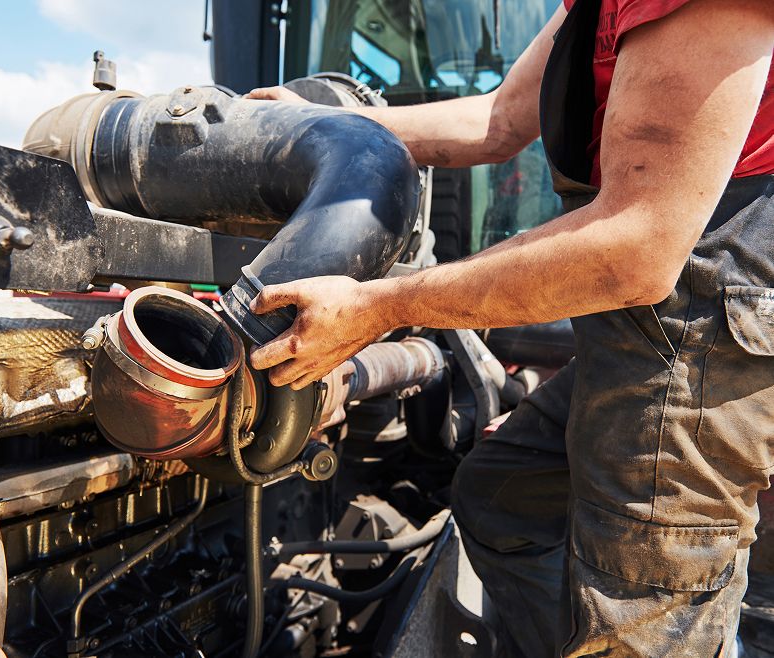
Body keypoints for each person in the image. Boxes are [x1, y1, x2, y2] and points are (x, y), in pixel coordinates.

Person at [246, 0, 774, 655]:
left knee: (642, 619)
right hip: (636, 328)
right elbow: (497, 119)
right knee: (502, 497)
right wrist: (329, 123)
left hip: (696, 337)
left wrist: (379, 306)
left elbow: (633, 250)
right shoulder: (594, 10)